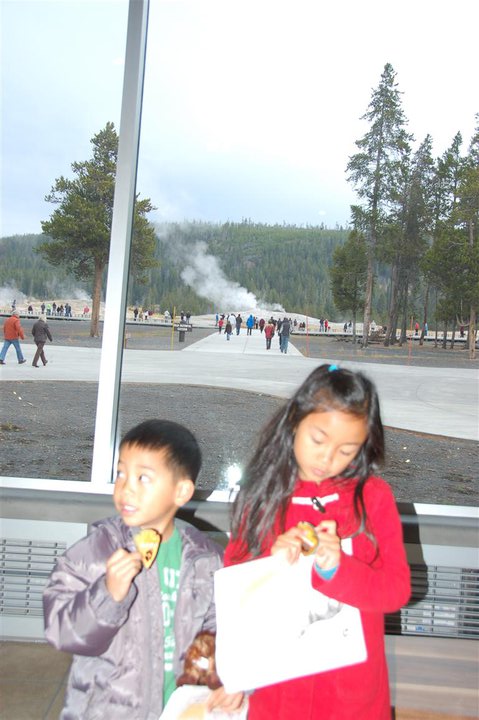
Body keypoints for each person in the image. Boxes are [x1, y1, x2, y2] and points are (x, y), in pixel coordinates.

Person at [224, 364, 410, 720]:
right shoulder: (261, 495)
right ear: (295, 422)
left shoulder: (373, 498)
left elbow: (397, 590)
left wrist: (338, 569)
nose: (327, 459)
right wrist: (272, 563)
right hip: (278, 692)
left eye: (347, 451)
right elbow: (236, 589)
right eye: (318, 441)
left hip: (353, 697)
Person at [43, 419, 243, 719]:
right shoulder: (96, 551)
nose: (126, 489)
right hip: (108, 709)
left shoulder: (206, 558)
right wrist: (108, 595)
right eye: (121, 473)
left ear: (182, 492)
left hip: (179, 706)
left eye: (143, 478)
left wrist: (228, 679)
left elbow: (223, 628)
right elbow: (61, 632)